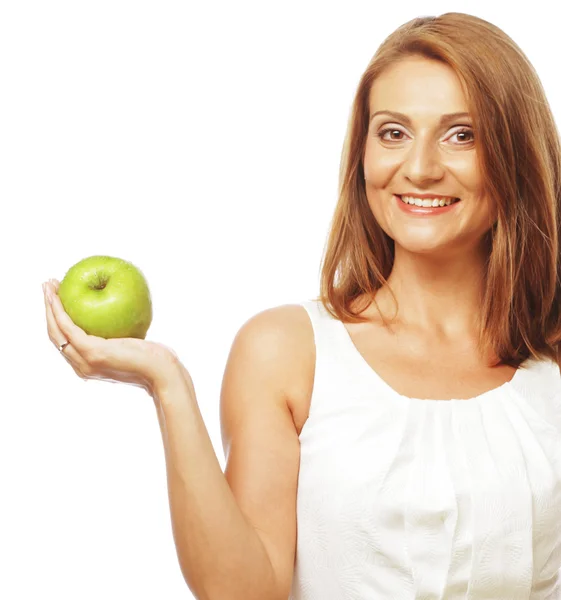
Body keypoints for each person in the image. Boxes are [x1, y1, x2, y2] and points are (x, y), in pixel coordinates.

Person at [42, 11, 561, 600]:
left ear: (516, 154)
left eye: (461, 134)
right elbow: (244, 591)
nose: (419, 168)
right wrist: (167, 385)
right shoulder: (288, 352)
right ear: (361, 156)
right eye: (392, 133)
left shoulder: (552, 362)